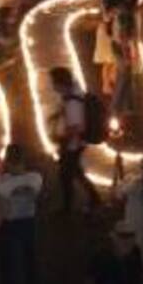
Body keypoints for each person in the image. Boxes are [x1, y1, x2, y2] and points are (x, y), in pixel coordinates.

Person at [0, 144, 41, 284]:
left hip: (10, 224)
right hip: (28, 221)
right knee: (29, 257)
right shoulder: (35, 178)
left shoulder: (1, 181)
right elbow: (32, 191)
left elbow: (2, 195)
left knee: (8, 260)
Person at [49, 66, 102, 214]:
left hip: (72, 145)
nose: (52, 86)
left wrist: (62, 138)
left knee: (65, 176)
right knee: (76, 172)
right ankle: (94, 199)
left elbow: (78, 127)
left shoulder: (73, 102)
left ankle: (67, 208)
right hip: (75, 144)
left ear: (60, 83)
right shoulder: (73, 92)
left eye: (53, 82)